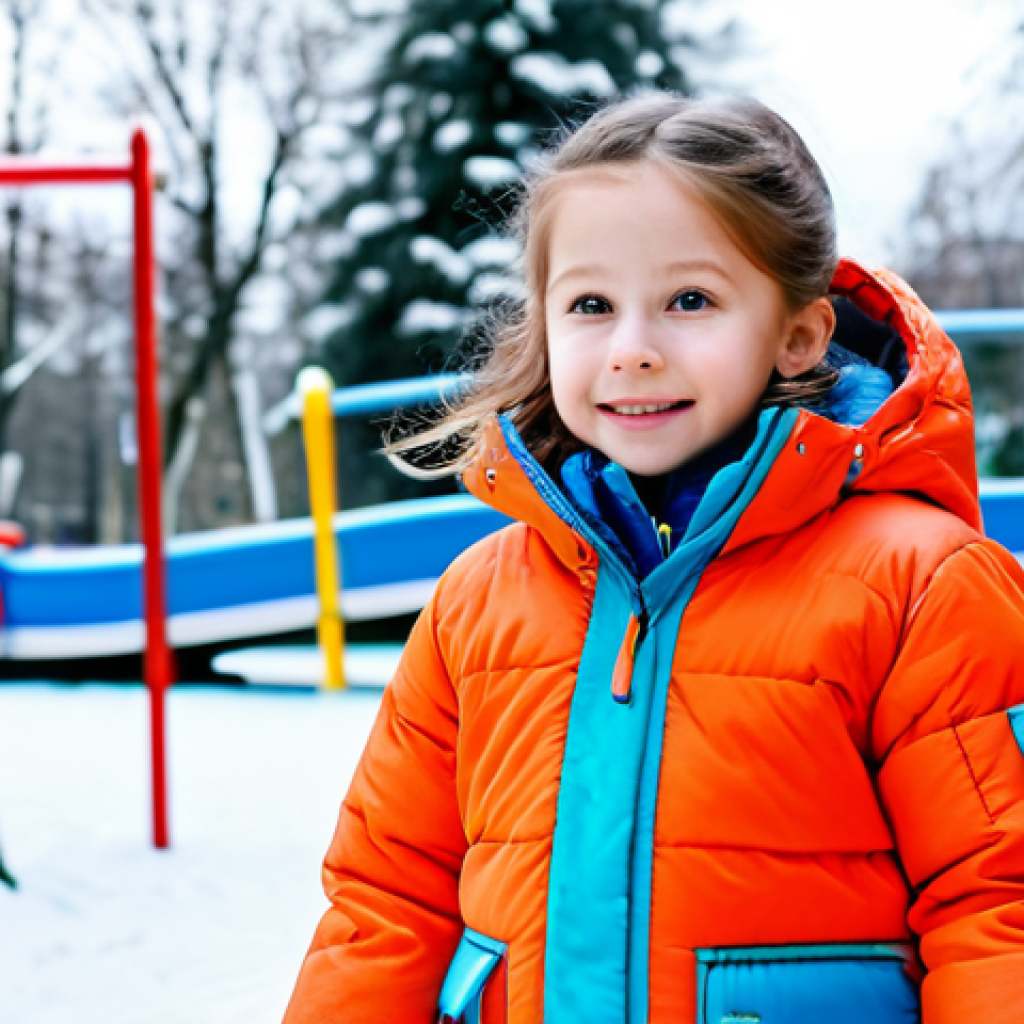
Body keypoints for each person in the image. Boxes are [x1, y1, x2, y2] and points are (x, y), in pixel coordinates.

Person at [283, 92, 1024, 1024]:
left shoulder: (923, 587)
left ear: (797, 332)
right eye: (591, 304)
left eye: (690, 300)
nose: (632, 350)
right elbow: (386, 904)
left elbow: (1000, 906)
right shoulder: (479, 602)